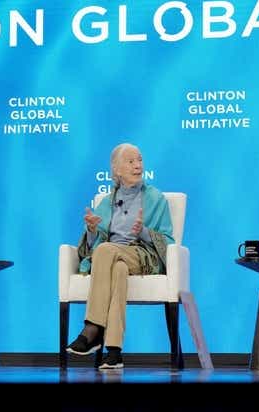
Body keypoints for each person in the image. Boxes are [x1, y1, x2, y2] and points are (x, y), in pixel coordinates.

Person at [65, 143, 174, 369]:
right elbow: (91, 246)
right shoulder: (107, 201)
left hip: (142, 254)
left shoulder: (156, 198)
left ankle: (92, 329)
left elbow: (168, 242)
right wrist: (92, 231)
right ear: (117, 170)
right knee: (117, 268)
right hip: (114, 258)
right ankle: (114, 351)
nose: (137, 165)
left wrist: (143, 232)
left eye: (140, 160)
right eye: (131, 161)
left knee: (105, 251)